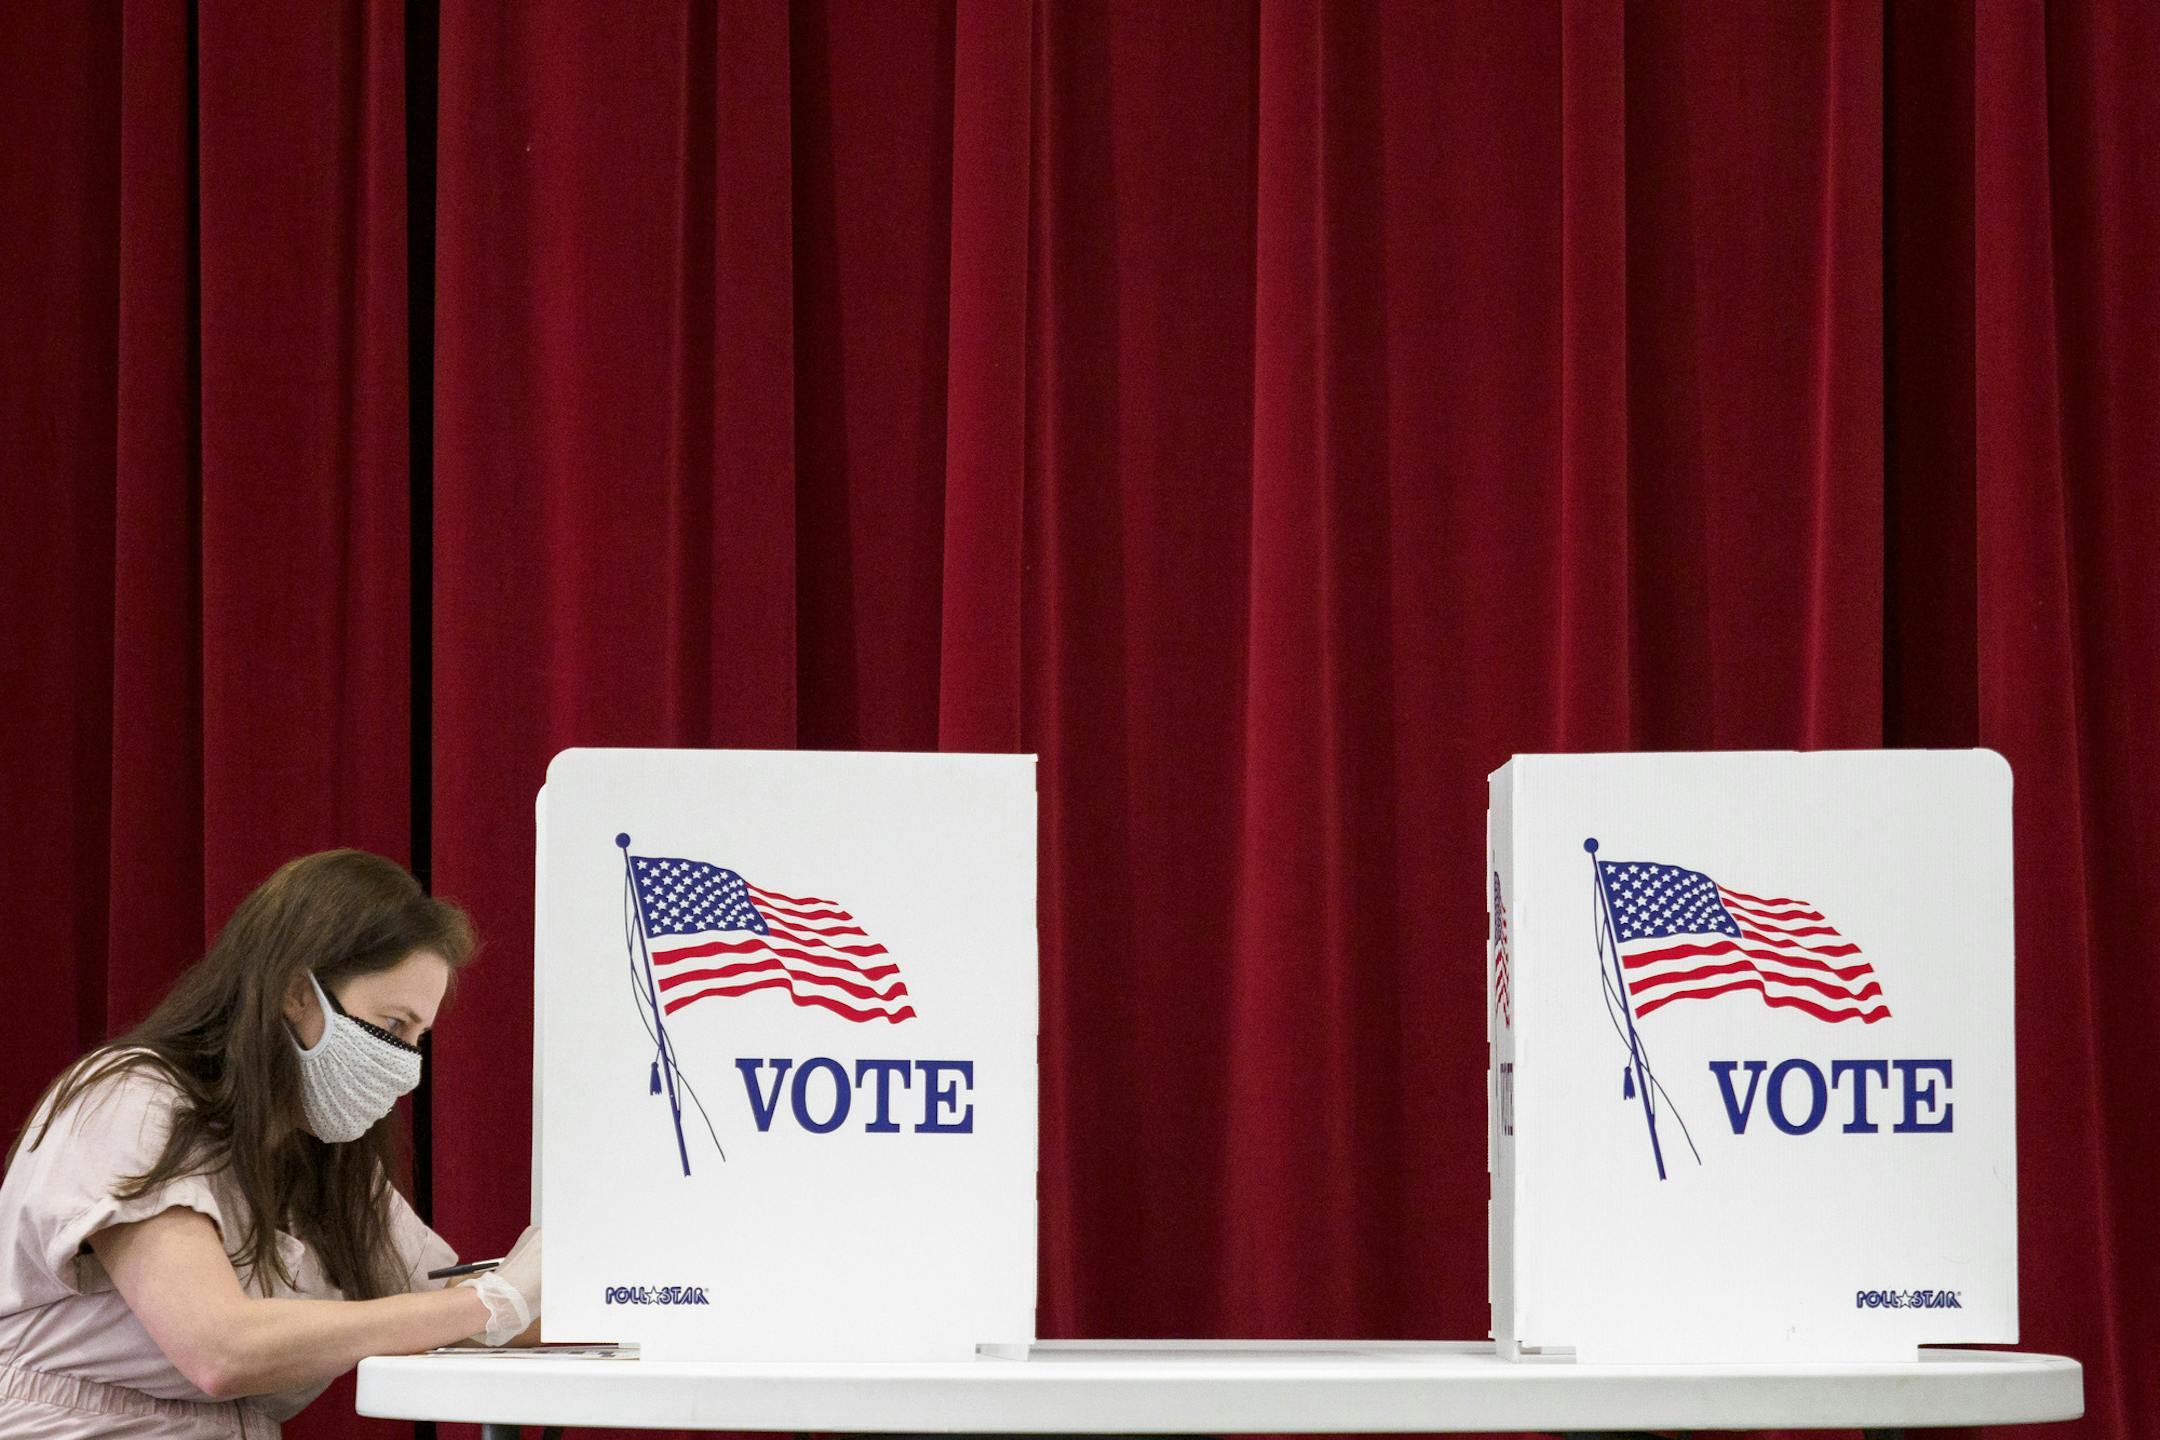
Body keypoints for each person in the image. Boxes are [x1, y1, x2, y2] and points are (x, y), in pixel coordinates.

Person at [0, 849, 543, 1438]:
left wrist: (611, 1289)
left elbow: (452, 1305)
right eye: (392, 1026)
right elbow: (221, 1351)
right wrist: (490, 1301)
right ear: (295, 991)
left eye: (418, 1037)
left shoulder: (321, 1154)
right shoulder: (133, 1098)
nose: (407, 1065)